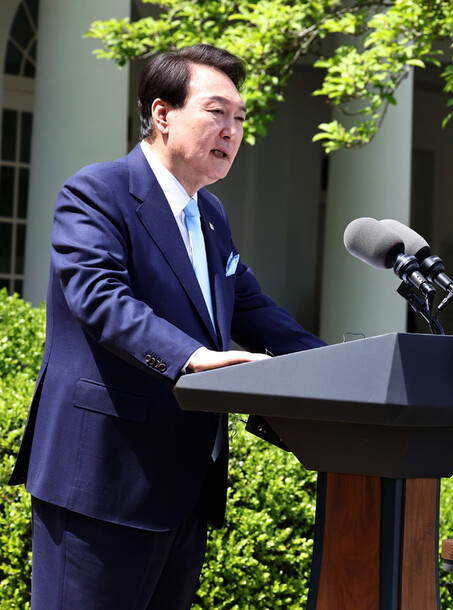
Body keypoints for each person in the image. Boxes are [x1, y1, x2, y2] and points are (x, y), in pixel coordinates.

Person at [7, 44, 326, 608]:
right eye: (217, 113)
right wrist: (191, 357)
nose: (232, 131)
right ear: (161, 114)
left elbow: (253, 309)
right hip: (100, 484)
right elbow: (101, 300)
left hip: (182, 492)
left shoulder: (211, 217)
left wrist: (336, 369)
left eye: (240, 119)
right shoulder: (97, 192)